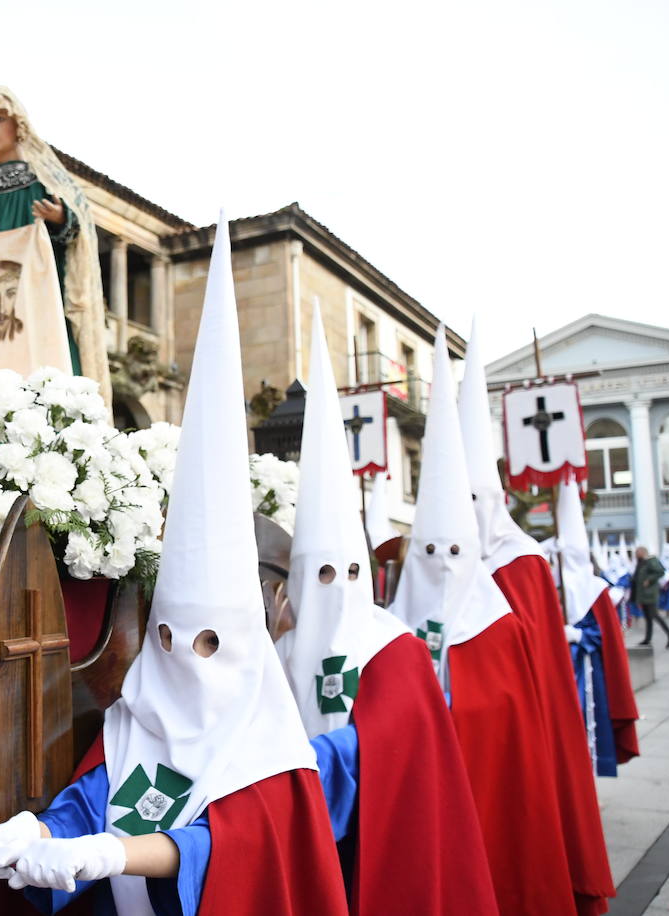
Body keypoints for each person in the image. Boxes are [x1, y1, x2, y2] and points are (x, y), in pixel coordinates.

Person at [0, 217, 347, 915]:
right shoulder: (139, 721)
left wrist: (116, 853)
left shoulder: (273, 753)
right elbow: (87, 806)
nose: (186, 656)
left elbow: (224, 850)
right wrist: (31, 832)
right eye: (167, 637)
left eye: (210, 641)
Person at [275, 306, 496, 915]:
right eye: (321, 575)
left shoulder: (394, 648)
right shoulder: (277, 649)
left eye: (350, 572)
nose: (336, 588)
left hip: (370, 837)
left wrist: (295, 770)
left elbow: (394, 747)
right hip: (293, 833)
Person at [391, 326, 579, 916]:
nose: (446, 560)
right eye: (432, 550)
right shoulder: (400, 609)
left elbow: (529, 693)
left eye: (477, 502)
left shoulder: (519, 571)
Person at [457, 318, 615, 915]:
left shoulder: (521, 562)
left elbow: (542, 670)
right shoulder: (432, 560)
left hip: (519, 721)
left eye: (476, 500)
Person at [0, 85, 109, 405]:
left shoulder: (43, 179)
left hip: (35, 300)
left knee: (43, 375)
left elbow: (78, 232)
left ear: (17, 124)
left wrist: (60, 218)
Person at [554, 478, 641, 775]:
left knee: (588, 721)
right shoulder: (551, 587)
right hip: (559, 667)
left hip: (587, 668)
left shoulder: (597, 590)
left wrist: (578, 634)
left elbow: (608, 635)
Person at [634, 546, 669, 647]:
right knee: (648, 618)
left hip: (650, 594)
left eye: (637, 552)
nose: (635, 554)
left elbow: (660, 571)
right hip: (644, 595)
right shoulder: (642, 562)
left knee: (654, 615)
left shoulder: (651, 561)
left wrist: (649, 580)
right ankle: (647, 639)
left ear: (642, 552)